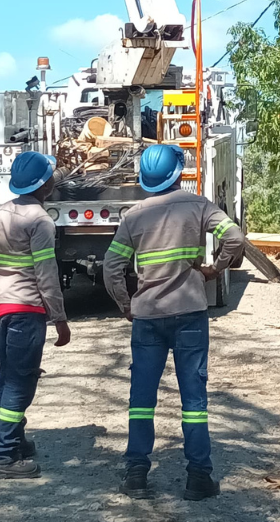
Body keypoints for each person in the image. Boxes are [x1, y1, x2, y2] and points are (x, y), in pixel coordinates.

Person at [103, 144, 247, 501]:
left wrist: (126, 304)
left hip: (148, 317)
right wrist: (216, 268)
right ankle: (198, 478)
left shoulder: (133, 216)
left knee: (141, 399)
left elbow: (111, 266)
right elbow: (235, 238)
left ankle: (136, 475)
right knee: (194, 401)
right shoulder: (199, 206)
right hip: (190, 315)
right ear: (178, 174)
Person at [0, 150, 70, 479]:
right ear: (45, 186)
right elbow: (46, 274)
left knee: (7, 373)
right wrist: (60, 318)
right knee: (20, 380)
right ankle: (4, 455)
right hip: (27, 309)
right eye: (50, 177)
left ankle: (17, 439)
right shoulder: (41, 222)